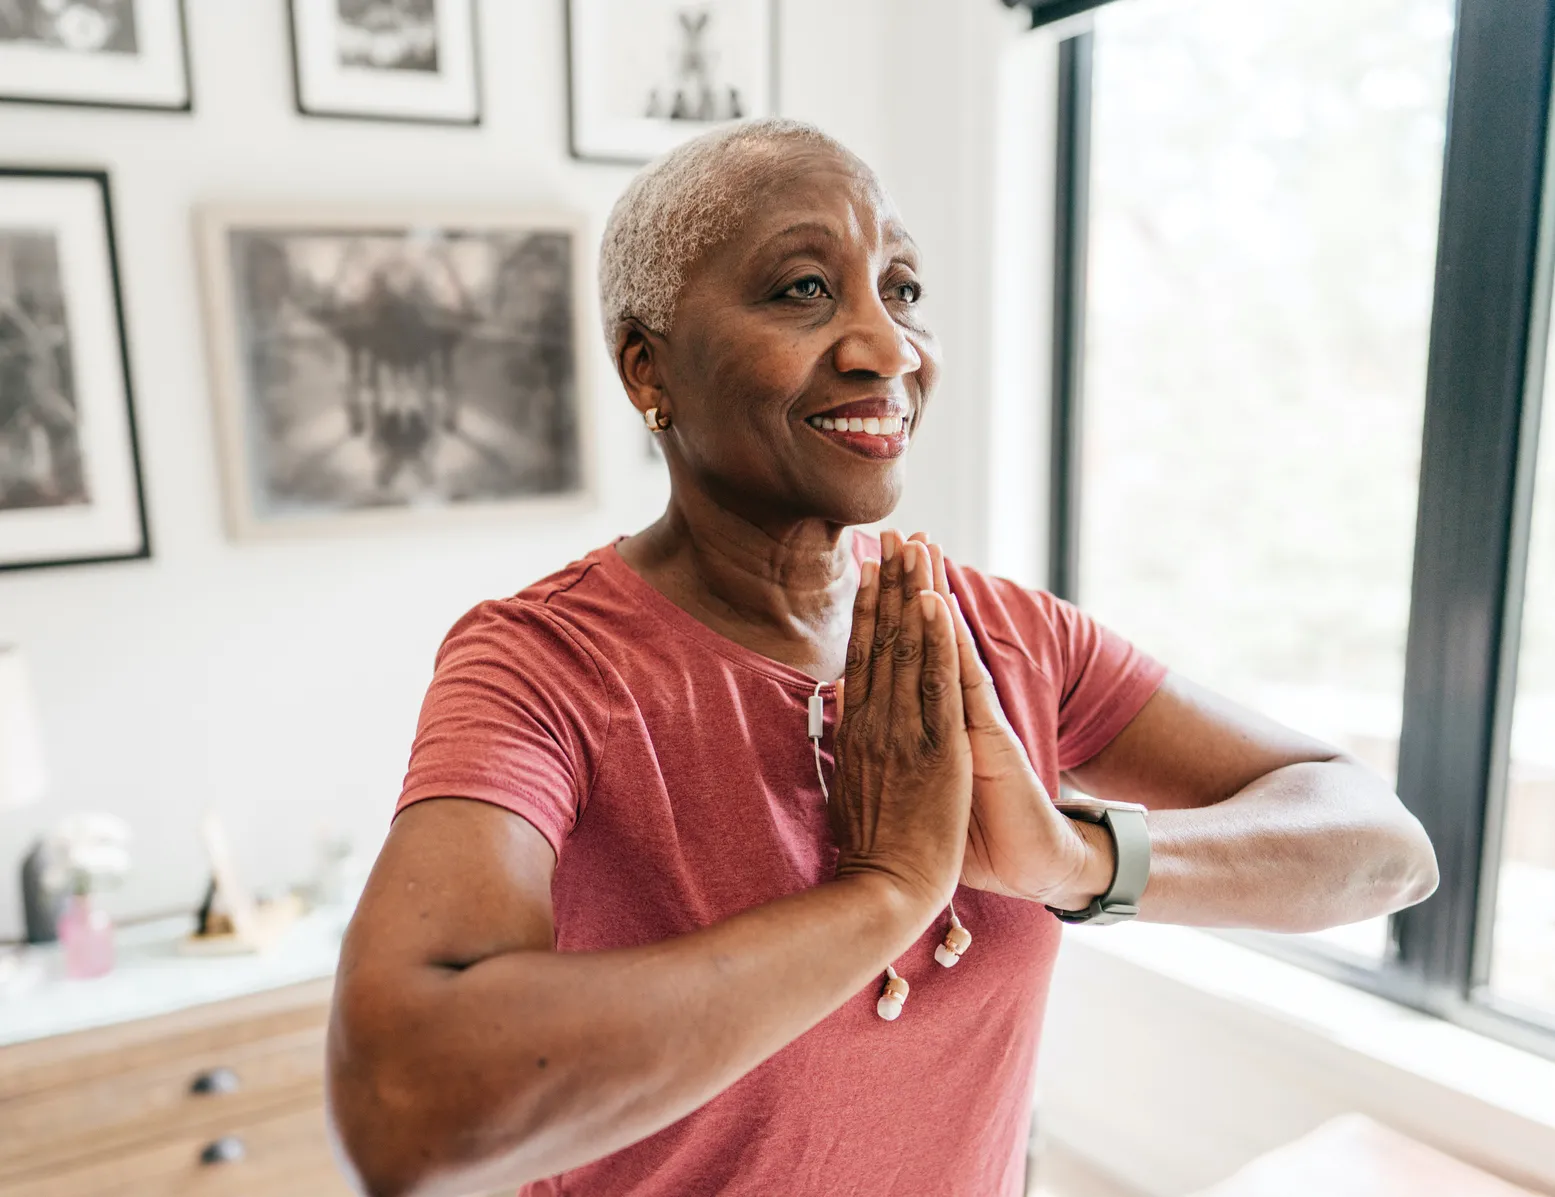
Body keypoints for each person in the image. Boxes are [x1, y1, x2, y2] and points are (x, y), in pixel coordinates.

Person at [326, 119, 1438, 1197]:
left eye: (901, 290)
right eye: (803, 289)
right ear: (645, 369)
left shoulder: (1002, 634)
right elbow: (404, 1112)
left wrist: (1068, 860)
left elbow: (1384, 848)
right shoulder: (544, 665)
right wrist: (887, 892)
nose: (888, 348)